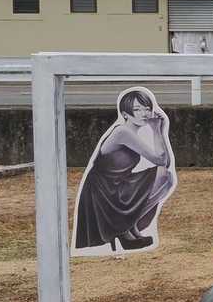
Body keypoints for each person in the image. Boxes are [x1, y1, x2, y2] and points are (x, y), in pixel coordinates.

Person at [73, 87, 177, 254]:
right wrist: (156, 129)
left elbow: (164, 161)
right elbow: (160, 160)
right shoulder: (122, 132)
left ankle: (129, 225)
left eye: (147, 108)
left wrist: (157, 129)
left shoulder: (130, 132)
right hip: (103, 192)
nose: (144, 113)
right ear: (125, 114)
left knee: (166, 177)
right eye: (137, 109)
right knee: (162, 175)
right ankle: (124, 227)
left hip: (117, 185)